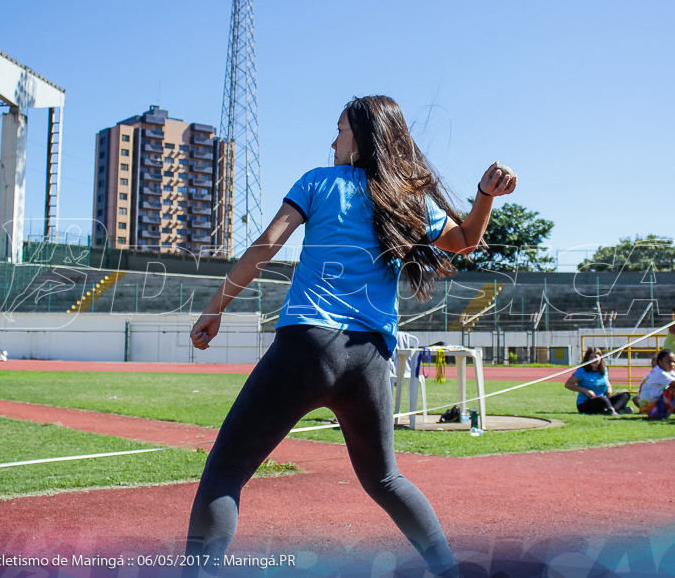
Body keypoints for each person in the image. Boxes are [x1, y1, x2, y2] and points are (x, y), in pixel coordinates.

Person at [184, 95, 516, 577]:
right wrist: (484, 194)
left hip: (307, 346)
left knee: (225, 474)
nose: (332, 140)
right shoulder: (410, 201)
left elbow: (265, 246)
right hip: (369, 359)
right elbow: (466, 239)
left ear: (360, 138)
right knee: (385, 478)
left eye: (339, 129)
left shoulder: (317, 182)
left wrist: (215, 308)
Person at [564, 347, 633, 415]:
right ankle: (618, 411)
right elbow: (568, 384)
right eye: (591, 357)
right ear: (587, 359)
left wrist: (609, 388)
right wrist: (585, 390)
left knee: (625, 395)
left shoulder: (604, 370)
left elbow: (607, 382)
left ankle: (611, 411)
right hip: (587, 403)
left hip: (604, 400)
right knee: (601, 399)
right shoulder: (581, 371)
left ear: (600, 358)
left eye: (596, 357)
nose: (594, 359)